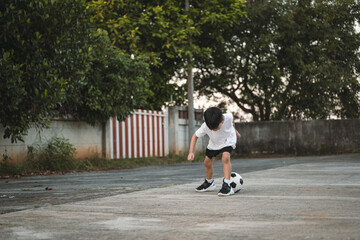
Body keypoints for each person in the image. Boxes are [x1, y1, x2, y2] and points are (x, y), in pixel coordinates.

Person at [187, 107, 241, 197]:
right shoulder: (205, 126)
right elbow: (194, 136)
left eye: (215, 128)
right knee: (207, 162)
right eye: (211, 128)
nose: (213, 130)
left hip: (228, 140)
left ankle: (227, 185)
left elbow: (232, 122)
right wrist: (191, 152)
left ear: (222, 120)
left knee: (225, 157)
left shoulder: (227, 117)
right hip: (214, 143)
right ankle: (209, 183)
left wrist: (235, 131)